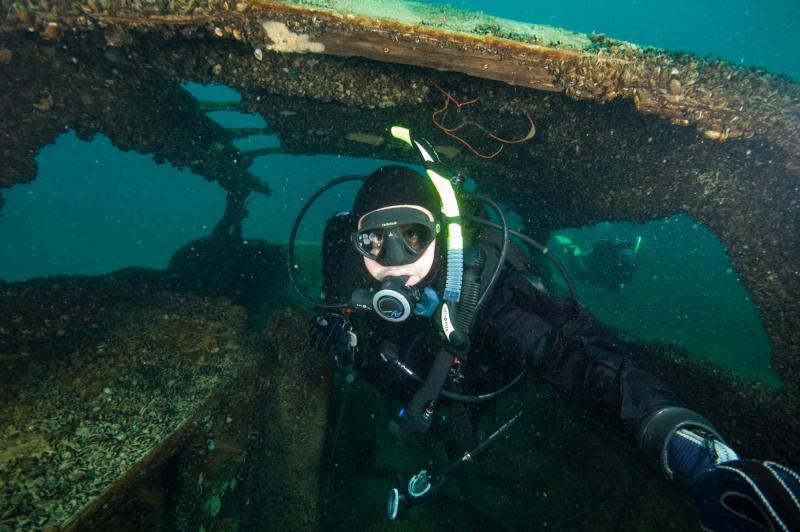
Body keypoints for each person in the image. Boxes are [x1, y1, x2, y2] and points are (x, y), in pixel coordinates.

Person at [291, 127, 799, 529]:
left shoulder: (488, 297)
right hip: (403, 386)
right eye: (375, 243)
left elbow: (575, 357)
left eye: (411, 235)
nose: (395, 263)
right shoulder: (346, 273)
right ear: (355, 245)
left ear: (441, 236)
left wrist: (679, 442)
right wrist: (340, 331)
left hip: (474, 384)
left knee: (465, 420)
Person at [555, 233, 641, 291]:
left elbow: (611, 285)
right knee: (577, 274)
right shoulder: (624, 272)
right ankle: (572, 254)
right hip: (592, 264)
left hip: (592, 263)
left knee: (578, 273)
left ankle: (572, 253)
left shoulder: (624, 272)